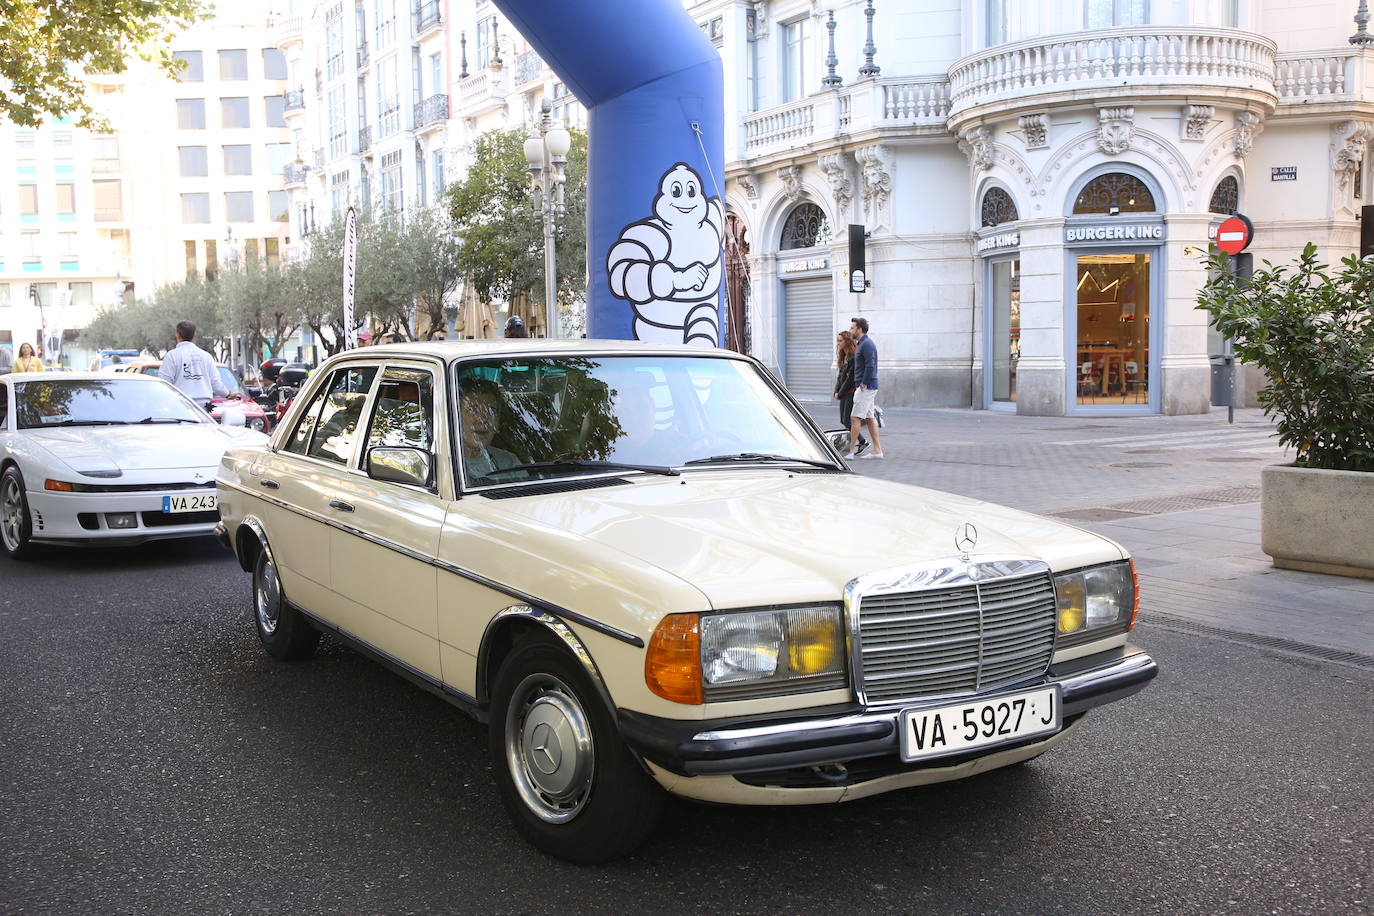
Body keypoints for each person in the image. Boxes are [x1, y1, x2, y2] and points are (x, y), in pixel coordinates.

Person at [160, 320, 231, 410]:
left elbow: (165, 382)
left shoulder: (171, 356)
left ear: (177, 334)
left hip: (181, 405)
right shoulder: (206, 356)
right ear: (194, 335)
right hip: (204, 407)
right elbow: (215, 382)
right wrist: (227, 394)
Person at [459, 378, 519, 482]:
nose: (483, 419)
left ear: (497, 422)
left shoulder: (509, 462)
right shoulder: (443, 466)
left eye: (491, 410)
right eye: (473, 409)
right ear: (456, 417)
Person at [846, 316, 884, 460]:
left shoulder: (867, 344)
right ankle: (877, 450)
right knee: (869, 418)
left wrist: (864, 383)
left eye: (852, 328)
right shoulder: (862, 343)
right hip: (866, 386)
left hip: (865, 387)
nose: (850, 331)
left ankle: (851, 452)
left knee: (855, 418)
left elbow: (870, 365)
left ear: (859, 329)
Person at [833, 331, 868, 454]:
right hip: (844, 392)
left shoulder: (853, 357)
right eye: (837, 340)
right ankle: (860, 441)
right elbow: (840, 376)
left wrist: (840, 392)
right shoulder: (844, 355)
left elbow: (850, 379)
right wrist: (836, 390)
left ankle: (862, 441)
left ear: (847, 341)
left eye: (840, 340)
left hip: (851, 392)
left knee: (847, 420)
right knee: (844, 420)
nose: (838, 343)